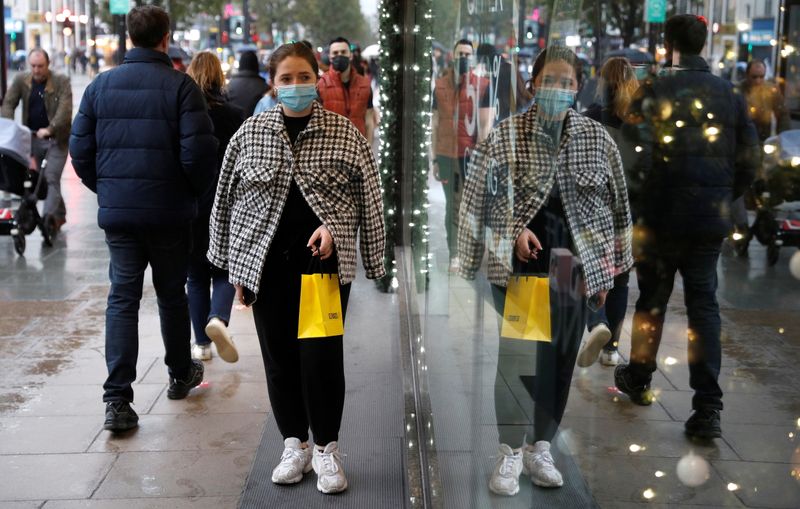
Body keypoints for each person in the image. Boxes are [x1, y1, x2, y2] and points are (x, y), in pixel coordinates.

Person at [207, 42, 386, 494]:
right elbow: (226, 200)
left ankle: (327, 448)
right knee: (280, 360)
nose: (295, 86)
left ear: (317, 77)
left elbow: (369, 201)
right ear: (273, 83)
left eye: (303, 77)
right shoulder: (250, 134)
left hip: (320, 269)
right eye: (286, 79)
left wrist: (342, 235)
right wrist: (232, 268)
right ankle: (295, 443)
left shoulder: (344, 134)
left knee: (321, 360)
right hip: (268, 267)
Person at [458, 46, 633, 496]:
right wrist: (500, 240)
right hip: (527, 266)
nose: (557, 89)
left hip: (573, 267)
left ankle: (540, 446)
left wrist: (609, 275)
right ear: (533, 84)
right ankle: (508, 451)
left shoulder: (597, 140)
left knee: (557, 362)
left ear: (579, 87)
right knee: (519, 361)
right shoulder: (507, 134)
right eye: (549, 80)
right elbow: (478, 201)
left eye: (567, 82)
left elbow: (618, 212)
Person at [69, 5, 218, 432]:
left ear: (129, 38)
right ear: (166, 38)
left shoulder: (100, 87)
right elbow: (199, 155)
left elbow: (81, 152)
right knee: (172, 294)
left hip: (121, 217)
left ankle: (117, 399)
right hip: (170, 213)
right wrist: (187, 191)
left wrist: (112, 190)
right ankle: (178, 373)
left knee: (122, 298)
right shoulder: (181, 88)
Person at [614, 15, 760, 439]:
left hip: (661, 219)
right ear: (702, 46)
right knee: (704, 308)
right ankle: (707, 409)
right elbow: (751, 158)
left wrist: (642, 201)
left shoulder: (655, 89)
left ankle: (639, 375)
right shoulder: (729, 94)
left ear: (669, 46)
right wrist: (721, 196)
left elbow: (629, 154)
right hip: (707, 223)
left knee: (652, 303)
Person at [577, 57, 641, 367]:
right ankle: (611, 348)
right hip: (629, 213)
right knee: (620, 280)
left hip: (595, 209)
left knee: (594, 271)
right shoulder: (640, 121)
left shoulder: (590, 117)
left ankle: (596, 324)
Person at [185, 51, 246, 363]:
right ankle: (218, 319)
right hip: (228, 204)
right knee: (224, 271)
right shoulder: (233, 115)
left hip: (193, 202)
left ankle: (201, 345)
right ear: (220, 77)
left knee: (195, 276)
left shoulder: (184, 113)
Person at [432, 39, 492, 271]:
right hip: (447, 155)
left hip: (470, 156)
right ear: (453, 56)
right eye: (460, 54)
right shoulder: (440, 86)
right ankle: (455, 253)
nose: (464, 58)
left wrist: (482, 157)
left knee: (470, 206)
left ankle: (470, 252)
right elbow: (435, 123)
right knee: (451, 206)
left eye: (468, 54)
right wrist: (434, 157)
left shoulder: (482, 85)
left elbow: (485, 125)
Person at [2, 48, 72, 238]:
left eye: (40, 66)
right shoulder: (21, 81)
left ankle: (47, 219)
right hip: (32, 139)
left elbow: (65, 112)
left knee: (51, 177)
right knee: (38, 179)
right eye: (33, 66)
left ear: (47, 65)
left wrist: (50, 129)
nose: (36, 70)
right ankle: (60, 215)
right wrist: (9, 125)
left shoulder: (61, 82)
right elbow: (8, 103)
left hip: (56, 140)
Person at [731, 59, 791, 255]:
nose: (758, 80)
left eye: (761, 76)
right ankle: (741, 227)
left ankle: (765, 223)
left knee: (766, 185)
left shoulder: (771, 91)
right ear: (747, 75)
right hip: (741, 146)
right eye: (754, 76)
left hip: (764, 143)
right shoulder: (737, 91)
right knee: (739, 187)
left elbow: (783, 116)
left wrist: (783, 139)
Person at [317, 37, 375, 145]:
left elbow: (369, 121)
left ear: (351, 55)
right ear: (330, 57)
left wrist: (368, 151)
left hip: (358, 149)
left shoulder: (365, 84)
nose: (339, 55)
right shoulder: (321, 84)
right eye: (335, 53)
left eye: (343, 52)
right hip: (331, 151)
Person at [227, 50, 268, 116]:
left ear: (240, 65)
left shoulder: (229, 86)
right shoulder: (265, 87)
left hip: (233, 125)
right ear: (256, 65)